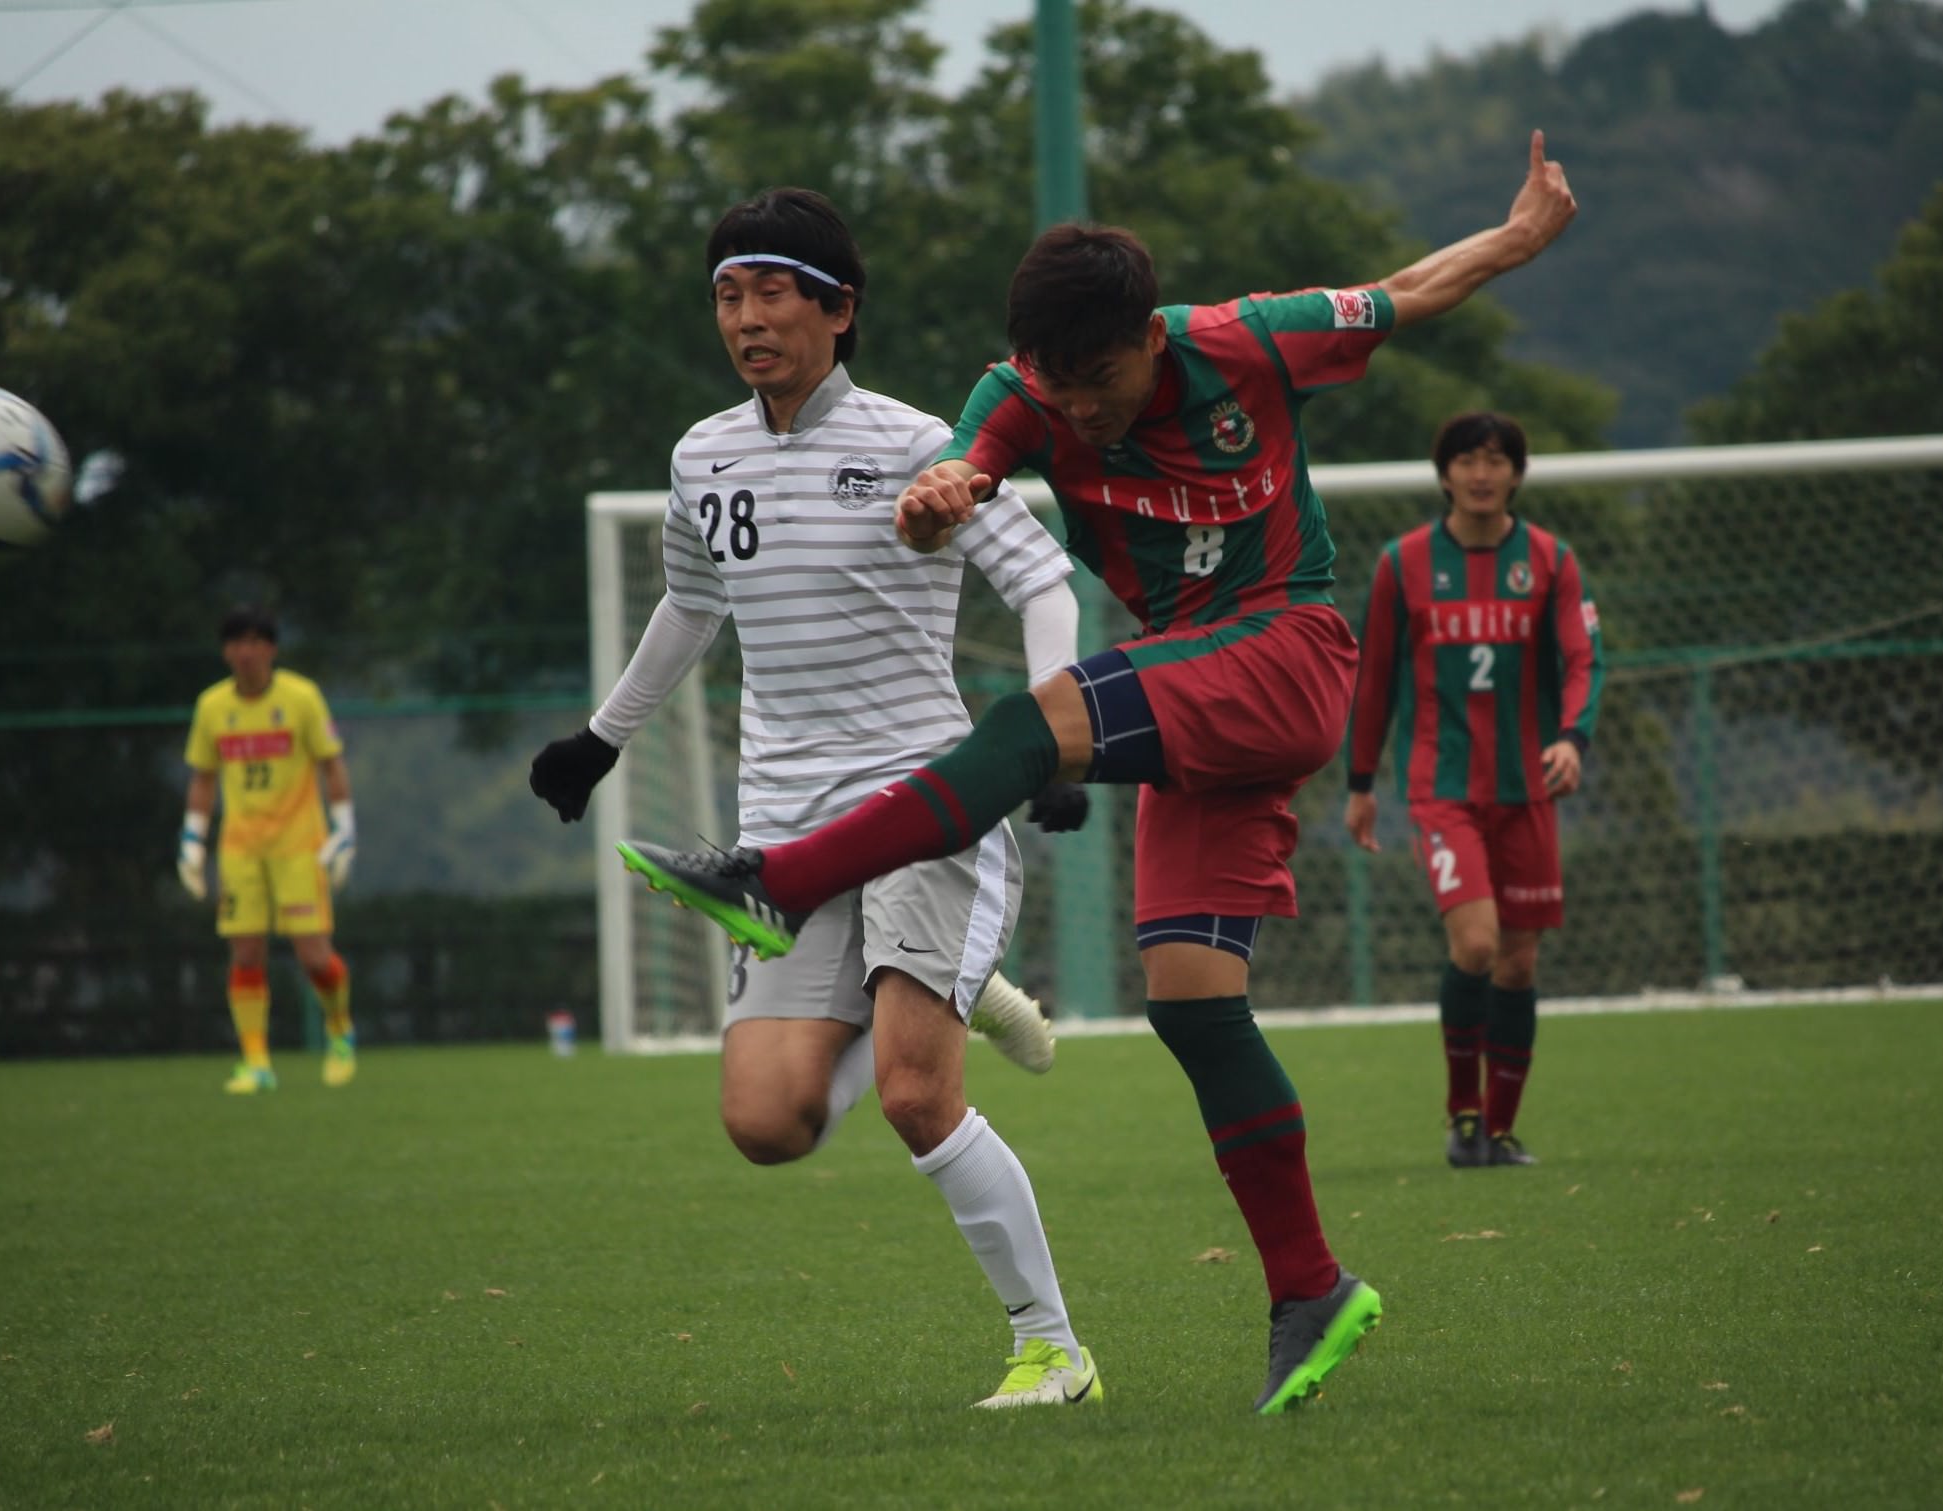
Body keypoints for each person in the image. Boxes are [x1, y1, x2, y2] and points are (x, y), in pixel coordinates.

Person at [615, 133, 1580, 1413]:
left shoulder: (1246, 341)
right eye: (1054, 385)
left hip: (1285, 648)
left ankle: (782, 880)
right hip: (1195, 706)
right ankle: (1310, 1286)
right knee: (1189, 1000)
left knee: (1034, 720)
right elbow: (964, 466)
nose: (1077, 408)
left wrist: (1515, 238)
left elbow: (1404, 291)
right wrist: (941, 493)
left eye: (1099, 379)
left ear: (1148, 336)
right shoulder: (1019, 393)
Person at [528, 188, 1100, 1410]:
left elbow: (1043, 582)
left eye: (774, 292)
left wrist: (1054, 737)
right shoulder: (701, 455)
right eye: (728, 295)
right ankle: (955, 990)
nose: (747, 317)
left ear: (839, 311)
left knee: (913, 1093)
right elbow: (690, 604)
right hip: (782, 834)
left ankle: (1053, 1348)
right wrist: (600, 739)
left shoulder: (918, 442)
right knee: (767, 1122)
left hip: (924, 806)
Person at [1343, 412, 1606, 1169]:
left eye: (1495, 460)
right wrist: (1361, 782)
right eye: (1467, 460)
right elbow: (1375, 679)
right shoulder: (1403, 563)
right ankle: (1462, 1117)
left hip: (1527, 789)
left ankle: (1499, 1129)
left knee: (1518, 963)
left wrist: (1571, 735)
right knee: (1478, 944)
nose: (1481, 473)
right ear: (1444, 473)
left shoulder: (1551, 561)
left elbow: (1584, 658)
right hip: (1441, 788)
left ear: (1516, 474)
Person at [178, 605, 359, 1094]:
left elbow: (332, 764)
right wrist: (192, 840)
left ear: (272, 649)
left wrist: (344, 830)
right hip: (240, 847)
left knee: (314, 957)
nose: (246, 652)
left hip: (299, 844)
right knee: (245, 953)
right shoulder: (212, 706)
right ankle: (256, 1062)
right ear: (225, 651)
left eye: (256, 641)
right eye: (237, 642)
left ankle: (340, 1029)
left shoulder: (301, 698)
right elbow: (203, 777)